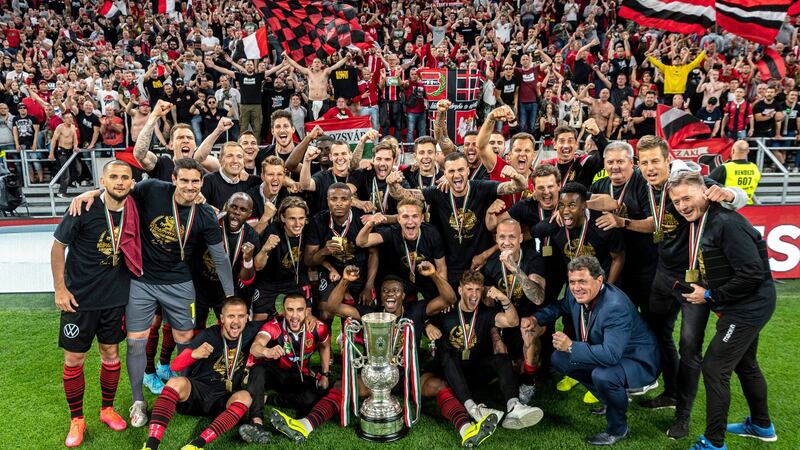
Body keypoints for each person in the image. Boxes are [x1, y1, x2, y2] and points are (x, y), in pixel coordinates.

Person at [69, 157, 236, 427]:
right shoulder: (153, 189)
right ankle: (138, 402)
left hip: (180, 284)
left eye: (195, 181)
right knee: (136, 341)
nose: (189, 186)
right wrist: (94, 192)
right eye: (184, 180)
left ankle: (185, 390)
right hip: (142, 281)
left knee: (185, 338)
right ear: (174, 179)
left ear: (202, 183)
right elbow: (117, 190)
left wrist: (230, 297)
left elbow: (220, 258)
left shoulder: (204, 214)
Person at [293, 265, 499, 448]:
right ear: (380, 295)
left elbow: (449, 299)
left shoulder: (416, 310)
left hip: (408, 376)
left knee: (439, 385)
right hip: (375, 377)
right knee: (342, 386)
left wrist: (435, 275)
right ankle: (305, 424)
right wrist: (345, 280)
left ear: (403, 295)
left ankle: (466, 429)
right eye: (385, 291)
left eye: (395, 290)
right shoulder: (370, 312)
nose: (390, 294)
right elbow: (332, 307)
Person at [666, 170, 777, 450]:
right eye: (677, 202)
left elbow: (752, 273)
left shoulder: (725, 222)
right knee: (746, 364)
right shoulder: (703, 219)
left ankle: (714, 443)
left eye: (687, 198)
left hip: (748, 306)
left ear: (705, 193)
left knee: (715, 367)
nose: (682, 206)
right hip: (742, 303)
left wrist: (711, 295)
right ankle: (762, 426)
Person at [530, 256, 661, 446]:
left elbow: (611, 355)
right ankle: (611, 399)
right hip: (609, 350)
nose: (576, 287)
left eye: (582, 281)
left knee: (603, 375)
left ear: (599, 280)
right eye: (572, 282)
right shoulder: (575, 293)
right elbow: (562, 306)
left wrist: (572, 346)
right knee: (560, 358)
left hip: (636, 359)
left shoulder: (615, 307)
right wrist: (536, 318)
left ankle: (618, 429)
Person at [52, 161, 136, 447]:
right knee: (74, 359)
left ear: (132, 182)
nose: (120, 182)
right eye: (113, 177)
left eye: (125, 177)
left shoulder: (135, 208)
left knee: (111, 353)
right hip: (80, 300)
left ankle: (106, 409)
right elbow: (57, 247)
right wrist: (60, 289)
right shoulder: (83, 207)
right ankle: (77, 419)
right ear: (103, 180)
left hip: (115, 300)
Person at [141, 297, 260, 450]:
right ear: (222, 318)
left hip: (223, 399)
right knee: (176, 382)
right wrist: (193, 354)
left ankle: (196, 445)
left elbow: (277, 322)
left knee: (245, 396)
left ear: (247, 318)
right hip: (197, 393)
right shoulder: (209, 335)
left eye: (241, 316)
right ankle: (151, 445)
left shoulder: (251, 330)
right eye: (231, 316)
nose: (236, 321)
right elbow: (176, 365)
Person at [432, 270, 544, 429]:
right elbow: (424, 319)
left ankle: (514, 406)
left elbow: (512, 322)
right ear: (460, 290)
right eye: (469, 289)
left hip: (474, 371)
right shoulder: (446, 312)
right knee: (448, 355)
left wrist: (504, 300)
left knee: (502, 359)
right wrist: (428, 326)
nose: (474, 294)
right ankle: (472, 409)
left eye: (478, 290)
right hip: (449, 374)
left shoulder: (485, 313)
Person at [239, 292, 330, 444]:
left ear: (307, 310)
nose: (294, 316)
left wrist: (325, 374)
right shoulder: (274, 326)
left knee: (314, 396)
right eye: (290, 310)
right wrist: (267, 351)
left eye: (299, 310)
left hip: (298, 375)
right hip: (275, 373)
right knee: (258, 370)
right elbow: (255, 347)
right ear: (283, 309)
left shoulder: (318, 328)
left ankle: (267, 399)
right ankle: (256, 423)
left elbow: (325, 346)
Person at [190, 192, 261, 330]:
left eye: (243, 210)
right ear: (227, 205)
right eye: (234, 207)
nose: (237, 213)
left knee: (228, 328)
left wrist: (248, 259)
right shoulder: (210, 222)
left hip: (224, 291)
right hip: (198, 286)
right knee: (193, 328)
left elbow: (246, 279)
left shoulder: (250, 237)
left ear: (249, 213)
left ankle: (223, 352)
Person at [251, 196, 310, 320]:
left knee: (306, 318)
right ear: (283, 218)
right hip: (269, 281)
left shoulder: (309, 230)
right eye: (292, 219)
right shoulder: (272, 230)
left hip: (296, 279)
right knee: (259, 321)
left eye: (301, 218)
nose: (298, 224)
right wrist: (265, 249)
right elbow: (257, 266)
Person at [709, 140, 761, 205]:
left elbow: (707, 184)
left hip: (729, 208)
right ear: (748, 151)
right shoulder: (755, 168)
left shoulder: (724, 168)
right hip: (748, 206)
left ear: (733, 151)